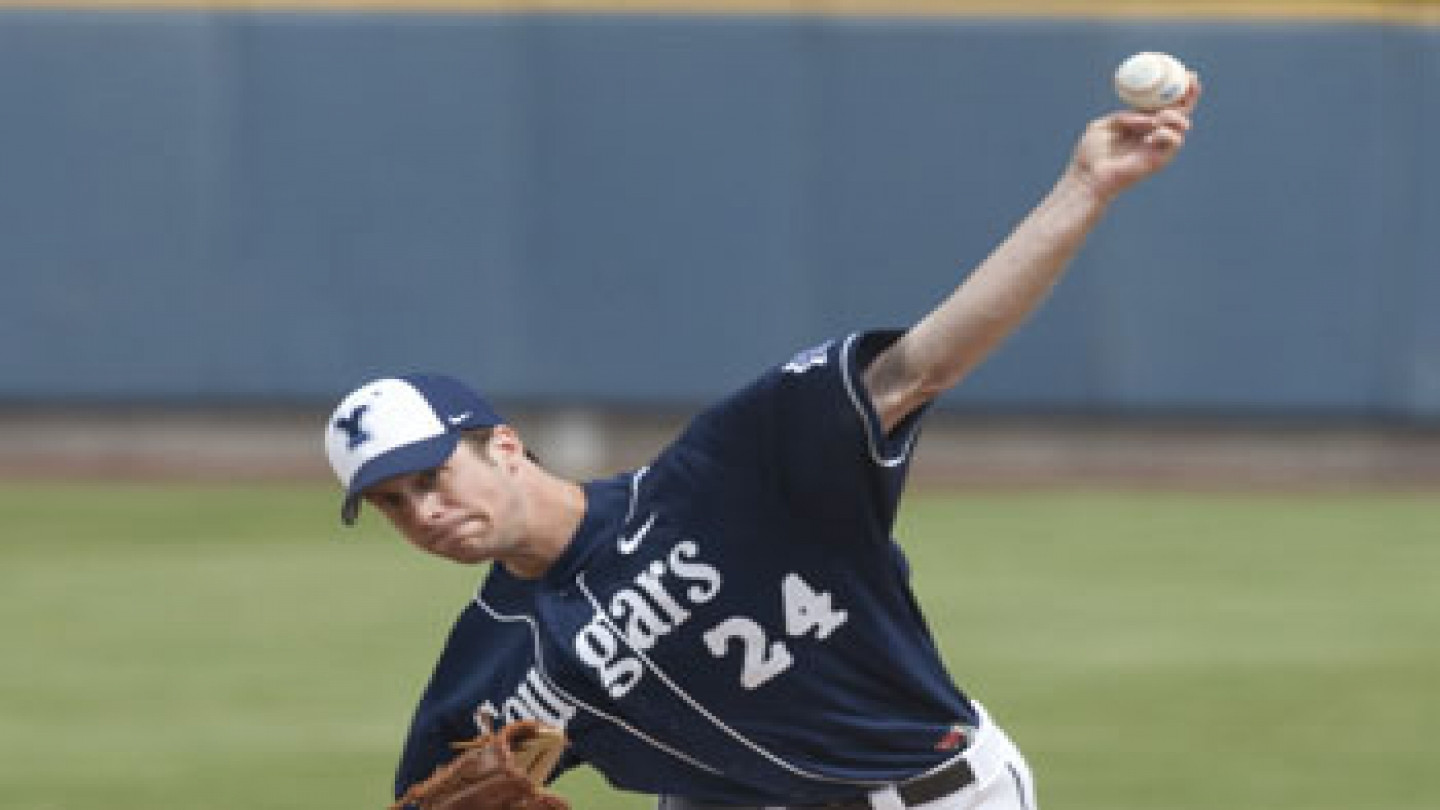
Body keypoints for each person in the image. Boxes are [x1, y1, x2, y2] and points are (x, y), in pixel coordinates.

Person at [323, 77, 1201, 810]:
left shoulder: (729, 472)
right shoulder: (485, 663)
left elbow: (923, 366)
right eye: (393, 504)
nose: (423, 512)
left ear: (504, 446)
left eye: (431, 476)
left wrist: (1083, 189)